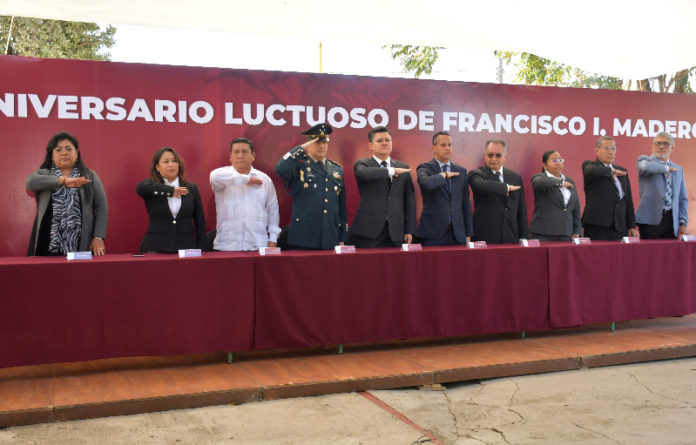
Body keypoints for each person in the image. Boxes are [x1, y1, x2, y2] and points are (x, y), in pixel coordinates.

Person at [26, 131, 108, 256]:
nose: (64, 153)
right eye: (58, 150)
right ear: (52, 155)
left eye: (69, 149)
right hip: (47, 241)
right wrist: (63, 181)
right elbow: (30, 183)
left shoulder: (89, 175)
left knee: (78, 275)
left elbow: (102, 206)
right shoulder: (43, 174)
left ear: (77, 153)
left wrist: (98, 237)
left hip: (80, 243)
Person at [275, 123, 348, 249]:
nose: (322, 146)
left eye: (325, 143)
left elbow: (341, 207)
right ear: (309, 144)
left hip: (330, 236)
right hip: (304, 236)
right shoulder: (299, 165)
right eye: (317, 142)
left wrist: (342, 237)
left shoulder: (337, 169)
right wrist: (301, 148)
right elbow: (280, 168)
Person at [209, 137, 280, 250]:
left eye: (245, 152)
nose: (240, 156)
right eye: (236, 152)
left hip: (258, 245)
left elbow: (273, 211)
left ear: (253, 156)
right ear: (230, 156)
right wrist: (247, 180)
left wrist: (273, 240)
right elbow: (213, 177)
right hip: (227, 247)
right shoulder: (222, 176)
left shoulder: (265, 179)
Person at [350, 126, 416, 247]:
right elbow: (364, 173)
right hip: (369, 231)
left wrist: (409, 230)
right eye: (380, 141)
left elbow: (409, 201)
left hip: (397, 231)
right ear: (371, 145)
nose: (385, 143)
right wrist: (390, 170)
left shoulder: (404, 167)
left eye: (388, 140)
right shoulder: (363, 164)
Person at [136, 147, 206, 253]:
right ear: (157, 167)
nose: (171, 165)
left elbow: (200, 222)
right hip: (157, 248)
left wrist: (201, 249)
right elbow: (140, 188)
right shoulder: (152, 187)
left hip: (186, 248)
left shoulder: (191, 188)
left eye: (174, 161)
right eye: (166, 162)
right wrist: (171, 190)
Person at [416, 131, 473, 246]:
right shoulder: (425, 168)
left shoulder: (461, 171)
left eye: (450, 145)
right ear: (434, 148)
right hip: (432, 233)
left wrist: (468, 233)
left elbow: (465, 203)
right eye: (443, 145)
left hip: (457, 234)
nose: (447, 148)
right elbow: (427, 184)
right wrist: (444, 175)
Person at [468, 139, 528, 244]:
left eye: (498, 155)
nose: (494, 159)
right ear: (485, 156)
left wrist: (523, 237)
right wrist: (506, 188)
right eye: (490, 155)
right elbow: (481, 185)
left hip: (510, 235)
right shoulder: (476, 174)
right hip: (485, 236)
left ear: (505, 156)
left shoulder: (516, 177)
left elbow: (521, 210)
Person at [581, 136, 638, 240]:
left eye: (613, 149)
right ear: (597, 150)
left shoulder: (622, 170)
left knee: (619, 256)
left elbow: (628, 200)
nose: (611, 152)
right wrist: (612, 172)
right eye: (607, 148)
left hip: (620, 226)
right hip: (598, 224)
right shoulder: (590, 166)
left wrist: (631, 225)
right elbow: (591, 170)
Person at [635, 132, 689, 239]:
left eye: (665, 144)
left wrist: (682, 222)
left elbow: (682, 199)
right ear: (653, 146)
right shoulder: (644, 161)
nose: (661, 146)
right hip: (650, 221)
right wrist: (665, 168)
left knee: (670, 255)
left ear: (672, 147)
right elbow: (645, 168)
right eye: (657, 143)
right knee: (650, 254)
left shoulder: (678, 169)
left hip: (671, 220)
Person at [529, 150, 581, 241]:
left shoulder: (570, 181)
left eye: (560, 160)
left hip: (566, 234)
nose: (558, 163)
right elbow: (539, 183)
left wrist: (577, 230)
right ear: (544, 165)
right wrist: (560, 183)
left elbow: (576, 209)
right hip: (543, 234)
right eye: (554, 161)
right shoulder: (539, 178)